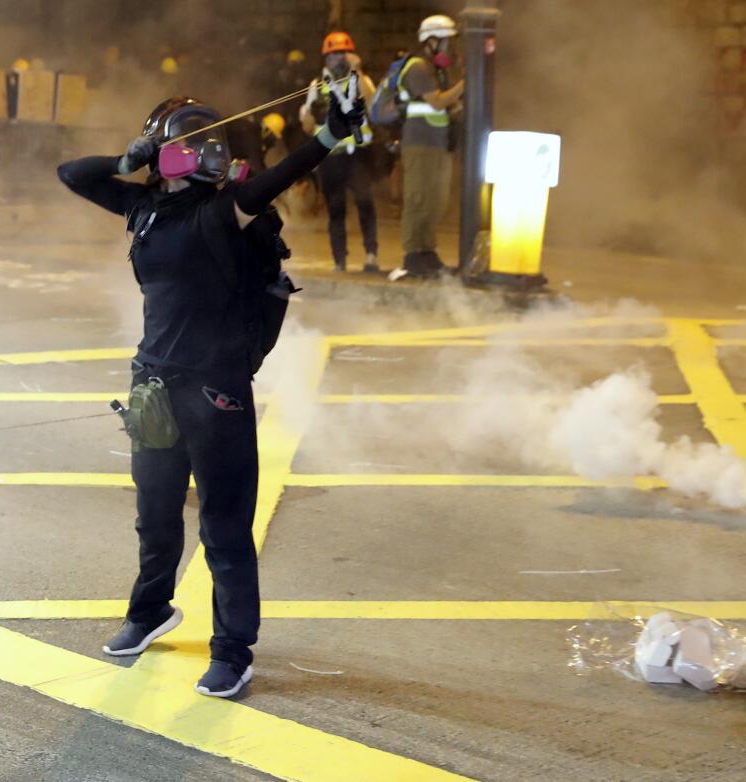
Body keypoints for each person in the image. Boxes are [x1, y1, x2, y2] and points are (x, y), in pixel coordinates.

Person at [57, 93, 363, 699]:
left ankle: (232, 651)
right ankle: (149, 613)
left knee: (223, 526)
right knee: (155, 516)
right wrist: (126, 158)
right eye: (187, 140)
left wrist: (330, 135)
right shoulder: (143, 207)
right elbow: (73, 175)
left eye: (208, 140)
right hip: (153, 383)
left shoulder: (224, 211)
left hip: (215, 388)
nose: (203, 149)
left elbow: (282, 174)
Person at [300, 31, 379, 273]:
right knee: (335, 208)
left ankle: (371, 255)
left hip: (357, 154)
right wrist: (312, 114)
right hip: (331, 157)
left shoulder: (360, 80)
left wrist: (359, 72)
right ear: (325, 59)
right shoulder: (318, 85)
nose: (338, 59)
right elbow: (307, 125)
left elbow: (372, 104)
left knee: (365, 202)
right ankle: (339, 260)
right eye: (333, 55)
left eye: (343, 53)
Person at [398, 15, 464, 277]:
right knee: (418, 198)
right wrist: (465, 85)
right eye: (448, 42)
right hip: (419, 143)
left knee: (436, 199)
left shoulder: (436, 71)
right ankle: (413, 253)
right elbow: (436, 102)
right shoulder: (418, 68)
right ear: (432, 41)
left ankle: (427, 250)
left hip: (438, 143)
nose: (451, 48)